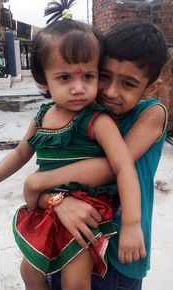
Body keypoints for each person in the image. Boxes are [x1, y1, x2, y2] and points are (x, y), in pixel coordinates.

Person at [0, 1, 146, 290]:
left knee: (74, 278)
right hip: (48, 206)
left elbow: (124, 167)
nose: (78, 88)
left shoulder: (97, 120)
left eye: (88, 76)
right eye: (65, 78)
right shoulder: (42, 117)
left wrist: (132, 223)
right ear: (44, 80)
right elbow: (20, 152)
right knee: (29, 270)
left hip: (88, 209)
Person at [21, 19, 168, 290]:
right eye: (103, 76)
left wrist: (37, 183)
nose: (110, 91)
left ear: (151, 87)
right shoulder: (83, 111)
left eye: (128, 83)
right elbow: (58, 168)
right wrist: (54, 199)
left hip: (121, 251)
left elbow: (112, 168)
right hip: (69, 237)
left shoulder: (150, 114)